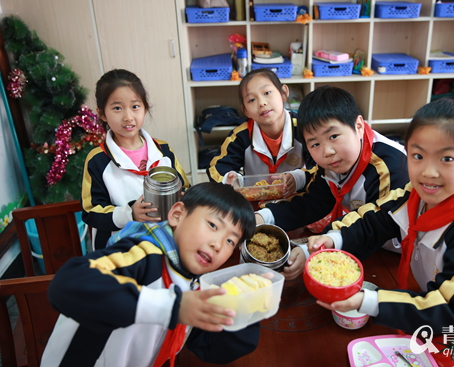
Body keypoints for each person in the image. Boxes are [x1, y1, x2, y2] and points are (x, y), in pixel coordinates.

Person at [307, 92, 454, 367]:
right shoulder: (414, 195)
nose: (428, 172)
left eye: (446, 159)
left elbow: (449, 306)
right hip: (431, 324)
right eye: (418, 156)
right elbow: (375, 219)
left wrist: (368, 301)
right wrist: (333, 238)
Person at [42, 182, 259, 367]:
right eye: (212, 225)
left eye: (231, 240)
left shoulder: (191, 282)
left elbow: (209, 346)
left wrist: (245, 310)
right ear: (177, 215)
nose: (218, 244)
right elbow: (68, 284)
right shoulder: (141, 255)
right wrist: (172, 307)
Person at [255, 85, 409, 279]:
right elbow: (314, 203)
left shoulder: (389, 168)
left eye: (333, 136)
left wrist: (315, 250)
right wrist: (262, 218)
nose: (327, 151)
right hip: (356, 238)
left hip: (398, 253)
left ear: (359, 127)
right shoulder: (336, 161)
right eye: (315, 144)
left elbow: (375, 227)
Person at [81, 69, 190, 250]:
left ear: (145, 107)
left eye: (135, 106)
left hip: (165, 243)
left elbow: (184, 187)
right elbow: (91, 212)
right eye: (117, 108)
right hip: (121, 249)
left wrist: (185, 198)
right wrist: (130, 213)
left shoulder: (163, 150)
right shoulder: (97, 160)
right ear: (101, 113)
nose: (128, 117)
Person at [207, 68, 312, 196]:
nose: (262, 103)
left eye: (267, 93)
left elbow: (321, 166)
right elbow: (216, 167)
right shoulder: (240, 136)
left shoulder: (305, 128)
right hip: (255, 202)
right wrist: (230, 178)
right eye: (252, 100)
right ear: (245, 111)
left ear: (283, 93)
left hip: (298, 201)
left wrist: (298, 178)